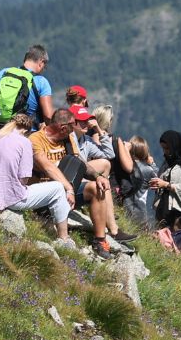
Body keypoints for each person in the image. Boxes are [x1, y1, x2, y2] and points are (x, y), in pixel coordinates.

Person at [29, 108, 133, 259]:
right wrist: (69, 188)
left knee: (96, 189)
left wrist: (97, 176)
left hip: (65, 192)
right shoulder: (36, 140)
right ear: (63, 128)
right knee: (61, 185)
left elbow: (79, 163)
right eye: (71, 127)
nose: (73, 131)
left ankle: (100, 240)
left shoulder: (68, 139)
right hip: (43, 194)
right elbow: (48, 167)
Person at [0, 114, 74, 247]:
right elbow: (24, 178)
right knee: (57, 188)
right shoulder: (25, 142)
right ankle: (64, 238)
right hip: (10, 198)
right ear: (25, 130)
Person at [0, 45, 54, 126]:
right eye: (45, 65)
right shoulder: (41, 82)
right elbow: (48, 116)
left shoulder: (3, 73)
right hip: (27, 133)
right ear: (41, 62)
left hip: (1, 131)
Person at [112, 134, 157, 228]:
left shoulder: (123, 165)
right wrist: (152, 163)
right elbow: (158, 177)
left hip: (124, 206)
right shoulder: (147, 169)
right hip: (139, 210)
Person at [68, 105, 112, 179]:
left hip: (80, 174)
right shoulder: (68, 137)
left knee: (106, 164)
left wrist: (98, 130)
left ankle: (103, 187)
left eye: (87, 120)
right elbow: (78, 161)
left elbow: (109, 155)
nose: (86, 123)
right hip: (69, 176)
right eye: (82, 120)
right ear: (72, 122)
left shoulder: (87, 140)